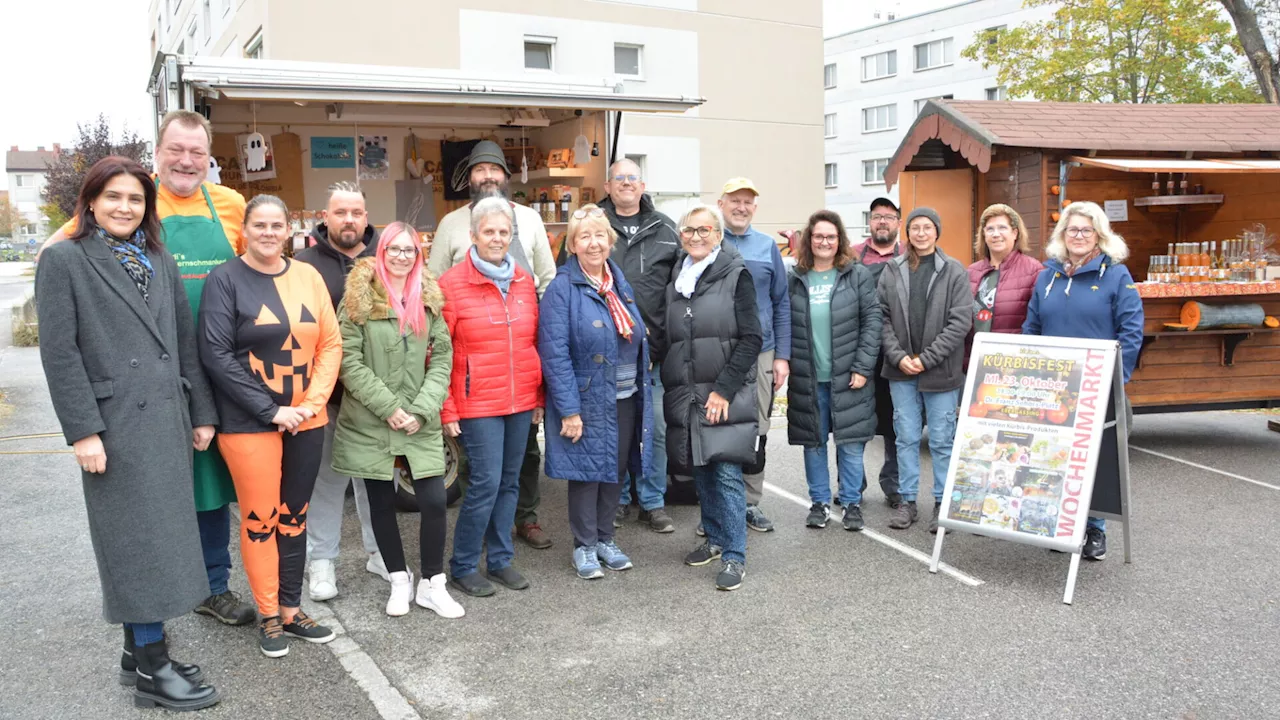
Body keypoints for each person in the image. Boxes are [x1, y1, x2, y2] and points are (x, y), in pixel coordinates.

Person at [40, 110, 256, 627]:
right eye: (176, 150)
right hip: (144, 376)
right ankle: (153, 615)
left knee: (210, 486)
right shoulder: (127, 194)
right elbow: (61, 256)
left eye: (197, 153)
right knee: (151, 496)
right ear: (157, 154)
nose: (186, 161)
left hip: (215, 366)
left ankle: (213, 584)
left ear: (209, 159)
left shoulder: (229, 204)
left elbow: (258, 267)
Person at [36, 156, 221, 710]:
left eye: (136, 199)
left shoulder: (159, 260)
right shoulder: (64, 260)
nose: (124, 207)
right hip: (113, 429)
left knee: (158, 540)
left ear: (148, 206)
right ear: (91, 202)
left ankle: (134, 654)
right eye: (113, 197)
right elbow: (60, 354)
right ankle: (153, 667)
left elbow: (184, 342)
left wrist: (202, 412)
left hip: (165, 419)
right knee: (137, 545)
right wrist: (83, 432)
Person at [198, 194, 342, 658]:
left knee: (294, 516)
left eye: (276, 225)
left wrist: (311, 403)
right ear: (245, 229)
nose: (268, 232)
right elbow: (216, 355)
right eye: (259, 224)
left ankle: (291, 608)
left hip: (307, 418)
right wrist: (271, 410)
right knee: (261, 520)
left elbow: (330, 344)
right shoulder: (225, 280)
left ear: (289, 230)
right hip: (248, 423)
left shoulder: (309, 276)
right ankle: (267, 614)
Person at [330, 223, 465, 618]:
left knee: (434, 501)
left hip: (419, 418)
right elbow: (348, 361)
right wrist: (388, 407)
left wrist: (422, 409)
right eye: (395, 249)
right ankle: (398, 579)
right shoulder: (358, 299)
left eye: (410, 250)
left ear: (418, 255)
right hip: (372, 418)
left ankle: (432, 584)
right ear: (382, 251)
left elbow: (442, 358)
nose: (402, 256)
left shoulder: (429, 298)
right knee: (381, 503)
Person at [428, 140, 556, 550]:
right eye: (480, 171)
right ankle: (481, 530)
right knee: (479, 466)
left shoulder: (532, 220)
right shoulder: (450, 224)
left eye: (494, 170)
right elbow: (434, 290)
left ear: (506, 176)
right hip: (476, 368)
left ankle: (526, 520)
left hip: (521, 357)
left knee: (523, 460)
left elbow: (547, 281)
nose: (488, 177)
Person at [1023, 201, 1143, 561]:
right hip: (1053, 388)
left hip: (1094, 387)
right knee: (1054, 457)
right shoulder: (1047, 277)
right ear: (1061, 235)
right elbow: (1032, 327)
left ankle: (1094, 529)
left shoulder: (1117, 276)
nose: (1078, 236)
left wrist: (1114, 381)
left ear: (1099, 235)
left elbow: (1132, 332)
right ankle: (1061, 523)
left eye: (1086, 230)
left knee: (1092, 461)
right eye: (1071, 230)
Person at [539, 205, 653, 579]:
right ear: (572, 245)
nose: (593, 243)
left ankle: (606, 538)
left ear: (610, 241)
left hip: (623, 395)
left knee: (613, 472)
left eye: (599, 235)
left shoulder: (618, 282)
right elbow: (554, 353)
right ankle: (584, 546)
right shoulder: (561, 289)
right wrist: (569, 410)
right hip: (587, 399)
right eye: (584, 236)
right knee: (586, 474)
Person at [438, 197, 544, 597]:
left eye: (503, 232)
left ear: (511, 236)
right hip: (477, 403)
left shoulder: (522, 281)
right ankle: (464, 565)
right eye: (489, 232)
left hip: (519, 401)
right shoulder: (452, 283)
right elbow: (439, 351)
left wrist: (538, 398)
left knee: (511, 482)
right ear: (473, 236)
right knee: (484, 483)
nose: (497, 238)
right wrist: (447, 408)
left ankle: (500, 561)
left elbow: (534, 341)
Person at [293, 181, 386, 602]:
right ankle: (323, 563)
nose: (349, 219)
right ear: (325, 217)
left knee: (374, 481)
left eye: (357, 212)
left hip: (375, 396)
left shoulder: (386, 256)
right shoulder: (303, 263)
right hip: (325, 396)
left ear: (366, 217)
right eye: (340, 212)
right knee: (327, 484)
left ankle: (380, 552)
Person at [664, 204, 762, 591]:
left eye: (705, 230)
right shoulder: (680, 277)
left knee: (724, 472)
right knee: (700, 469)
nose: (696, 237)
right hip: (687, 392)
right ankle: (716, 540)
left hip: (723, 392)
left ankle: (736, 556)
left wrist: (723, 389)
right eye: (689, 230)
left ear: (719, 236)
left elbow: (752, 338)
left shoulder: (736, 275)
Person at [594, 159, 680, 533]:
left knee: (656, 430)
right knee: (614, 429)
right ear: (608, 185)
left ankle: (653, 501)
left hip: (655, 351)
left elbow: (681, 286)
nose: (626, 184)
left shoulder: (666, 228)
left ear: (642, 185)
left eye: (632, 178)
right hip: (606, 350)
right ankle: (618, 499)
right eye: (619, 178)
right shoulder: (591, 224)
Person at [785, 211, 882, 531]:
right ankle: (819, 503)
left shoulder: (856, 275)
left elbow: (872, 322)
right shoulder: (796, 278)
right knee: (813, 444)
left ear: (839, 240)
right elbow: (784, 323)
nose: (824, 242)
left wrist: (863, 366)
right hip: (808, 378)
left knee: (851, 445)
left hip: (849, 377)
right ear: (808, 240)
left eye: (830, 236)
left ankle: (851, 502)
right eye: (818, 236)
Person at [877, 207, 972, 534]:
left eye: (927, 227)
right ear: (908, 232)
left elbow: (961, 322)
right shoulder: (892, 269)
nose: (920, 233)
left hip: (940, 372)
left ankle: (942, 502)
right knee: (905, 437)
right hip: (900, 369)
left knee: (943, 440)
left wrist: (927, 358)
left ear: (936, 232)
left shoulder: (954, 271)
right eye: (915, 227)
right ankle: (907, 502)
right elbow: (882, 317)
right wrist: (899, 355)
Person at [717, 177, 790, 534]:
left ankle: (749, 502)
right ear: (721, 204)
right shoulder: (709, 243)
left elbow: (781, 302)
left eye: (747, 202)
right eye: (735, 200)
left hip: (761, 352)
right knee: (719, 428)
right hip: (717, 352)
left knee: (757, 429)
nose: (741, 207)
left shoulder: (766, 246)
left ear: (755, 208)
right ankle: (718, 505)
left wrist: (782, 356)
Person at [851, 197, 904, 508]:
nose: (882, 221)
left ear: (898, 223)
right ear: (869, 223)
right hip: (858, 351)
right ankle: (852, 485)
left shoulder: (910, 255)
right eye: (877, 216)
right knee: (854, 421)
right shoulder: (853, 256)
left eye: (889, 216)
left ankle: (893, 484)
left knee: (895, 424)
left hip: (896, 351)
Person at [964, 204, 1044, 363]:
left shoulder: (1033, 270)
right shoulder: (971, 272)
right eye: (990, 229)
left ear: (1015, 233)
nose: (996, 234)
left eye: (1002, 228)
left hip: (1013, 364)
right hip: (973, 363)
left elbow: (1038, 322)